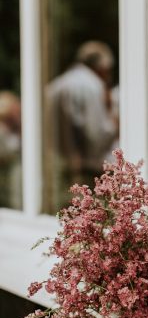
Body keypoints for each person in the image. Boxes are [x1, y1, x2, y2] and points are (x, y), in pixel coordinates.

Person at [45, 41, 118, 208]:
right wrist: (115, 124)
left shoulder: (57, 84)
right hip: (85, 172)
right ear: (103, 66)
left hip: (57, 165)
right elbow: (97, 134)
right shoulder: (92, 85)